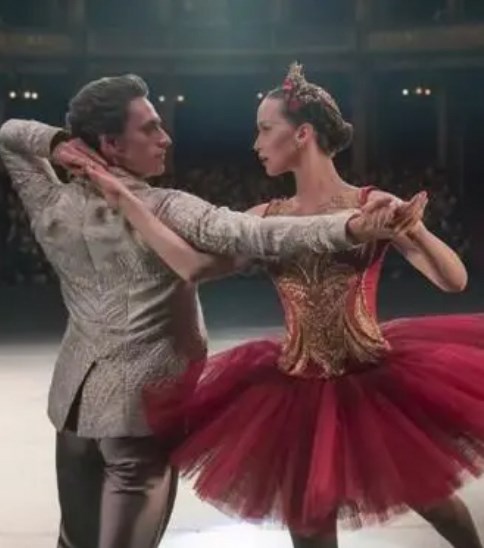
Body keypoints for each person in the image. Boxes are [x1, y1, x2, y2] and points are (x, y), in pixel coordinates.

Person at [85, 64, 484, 548]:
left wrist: (413, 227)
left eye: (264, 128)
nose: (255, 143)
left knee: (439, 506)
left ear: (302, 134)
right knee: (309, 528)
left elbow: (453, 280)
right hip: (296, 390)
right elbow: (193, 265)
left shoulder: (370, 204)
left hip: (374, 380)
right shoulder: (265, 218)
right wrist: (126, 200)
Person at [0, 73, 407, 548]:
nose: (165, 137)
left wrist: (58, 145)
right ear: (111, 144)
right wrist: (350, 228)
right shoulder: (168, 207)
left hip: (72, 408)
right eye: (150, 128)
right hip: (141, 418)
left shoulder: (50, 202)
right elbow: (257, 234)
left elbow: (10, 134)